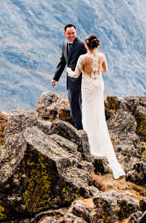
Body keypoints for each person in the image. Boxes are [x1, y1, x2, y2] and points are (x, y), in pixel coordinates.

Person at [67, 34, 125, 178]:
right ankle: (100, 143)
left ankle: (92, 145)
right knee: (99, 113)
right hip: (98, 85)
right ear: (97, 45)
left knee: (88, 112)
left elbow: (75, 75)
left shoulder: (82, 58)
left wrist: (68, 71)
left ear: (86, 45)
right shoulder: (101, 56)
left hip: (87, 86)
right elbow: (104, 70)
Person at [51, 24, 86, 129]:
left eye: (73, 33)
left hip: (79, 80)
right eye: (69, 33)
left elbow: (88, 61)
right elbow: (62, 62)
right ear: (65, 34)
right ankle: (75, 125)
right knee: (72, 102)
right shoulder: (65, 44)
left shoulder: (81, 45)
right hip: (69, 80)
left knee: (77, 104)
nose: (71, 35)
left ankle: (79, 128)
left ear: (76, 33)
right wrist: (55, 78)